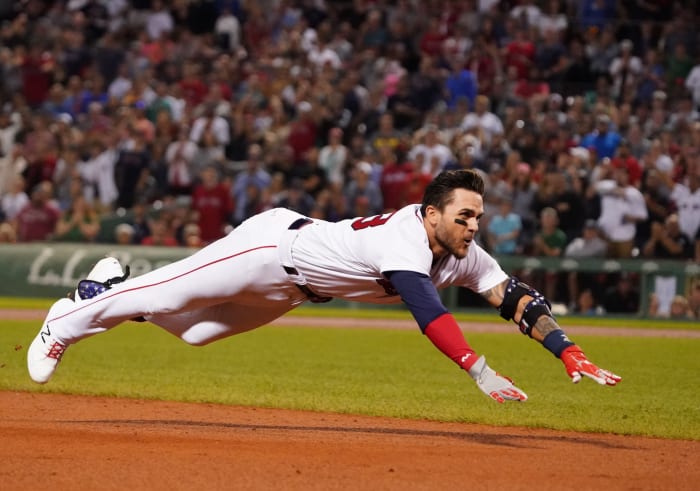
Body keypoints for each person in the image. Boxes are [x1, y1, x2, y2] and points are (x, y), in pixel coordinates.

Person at [27, 170, 620, 403]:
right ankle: (64, 324)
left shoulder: (463, 252)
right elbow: (427, 313)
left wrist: (565, 349)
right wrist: (477, 368)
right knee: (163, 295)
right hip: (269, 247)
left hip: (295, 290)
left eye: (478, 217)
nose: (473, 225)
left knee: (197, 333)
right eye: (463, 215)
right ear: (431, 212)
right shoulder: (404, 239)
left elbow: (515, 299)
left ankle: (102, 289)